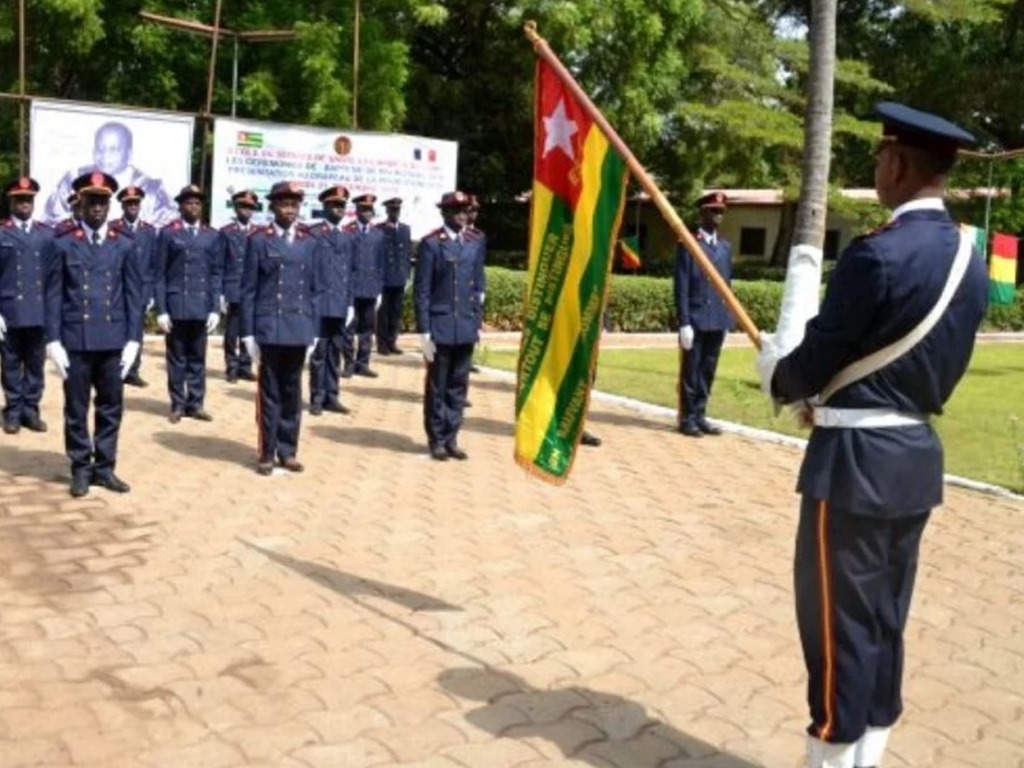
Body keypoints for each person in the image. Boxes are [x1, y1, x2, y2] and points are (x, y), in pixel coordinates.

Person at [756, 103, 988, 768]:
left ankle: (830, 753)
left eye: (880, 160)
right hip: (913, 459)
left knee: (835, 626)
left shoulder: (877, 254)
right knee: (884, 618)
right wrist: (832, 399)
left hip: (854, 466)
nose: (878, 170)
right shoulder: (969, 259)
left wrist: (780, 375)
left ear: (896, 164)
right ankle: (869, 754)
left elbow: (819, 353)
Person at [43, 171, 144, 497]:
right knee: (76, 408)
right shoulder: (62, 243)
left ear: (110, 206)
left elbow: (133, 296)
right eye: (91, 201)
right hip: (76, 340)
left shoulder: (124, 245)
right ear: (80, 203)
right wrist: (53, 340)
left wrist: (133, 340)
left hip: (113, 341)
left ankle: (105, 468)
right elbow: (53, 295)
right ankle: (80, 468)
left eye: (103, 201)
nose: (98, 207)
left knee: (111, 407)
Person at [240, 181, 322, 475]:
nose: (290, 210)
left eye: (294, 205)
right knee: (269, 392)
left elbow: (315, 290)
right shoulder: (258, 240)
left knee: (292, 391)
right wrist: (248, 333)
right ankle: (266, 451)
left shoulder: (309, 241)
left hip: (298, 326)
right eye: (284, 204)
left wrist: (314, 331)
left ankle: (288, 451)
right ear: (272, 206)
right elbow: (248, 290)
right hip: (269, 326)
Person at [414, 191, 485, 461]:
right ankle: (436, 439)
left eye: (464, 210)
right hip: (440, 324)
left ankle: (452, 437)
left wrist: (477, 320)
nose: (461, 215)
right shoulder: (432, 244)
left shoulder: (475, 241)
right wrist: (423, 331)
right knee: (437, 386)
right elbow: (422, 291)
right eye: (455, 210)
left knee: (459, 386)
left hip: (465, 325)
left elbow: (478, 284)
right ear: (444, 213)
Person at [153, 184, 222, 423]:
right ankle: (177, 404)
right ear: (180, 206)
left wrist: (214, 307)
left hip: (201, 305)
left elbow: (215, 273)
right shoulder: (168, 233)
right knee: (176, 357)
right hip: (176, 305)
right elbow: (159, 274)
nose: (193, 207)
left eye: (197, 203)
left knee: (198, 358)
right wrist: (161, 310)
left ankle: (196, 403)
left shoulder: (211, 235)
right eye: (188, 203)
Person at [674, 191, 733, 437]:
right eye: (713, 210)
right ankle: (687, 418)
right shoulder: (688, 244)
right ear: (702, 213)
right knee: (691, 370)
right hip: (696, 318)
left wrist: (727, 319)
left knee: (708, 370)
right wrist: (684, 322)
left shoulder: (725, 247)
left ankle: (700, 414)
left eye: (721, 211)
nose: (718, 215)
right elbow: (682, 284)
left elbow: (726, 285)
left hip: (717, 319)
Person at [44, 121, 176, 226]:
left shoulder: (151, 188)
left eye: (113, 150)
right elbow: (52, 221)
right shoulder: (73, 180)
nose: (105, 156)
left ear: (129, 154)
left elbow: (164, 230)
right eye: (100, 149)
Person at [0, 177, 53, 434]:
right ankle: (12, 410)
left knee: (35, 364)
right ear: (11, 201)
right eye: (19, 199)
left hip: (38, 310)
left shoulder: (46, 234)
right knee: (10, 363)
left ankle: (30, 410)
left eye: (28, 199)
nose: (24, 204)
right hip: (9, 311)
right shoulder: (2, 232)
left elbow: (54, 277)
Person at [309, 185, 355, 415]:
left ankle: (332, 396)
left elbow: (350, 273)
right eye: (334, 205)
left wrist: (350, 303)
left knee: (334, 351)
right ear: (325, 207)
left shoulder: (348, 237)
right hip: (318, 303)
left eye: (342, 206)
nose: (339, 209)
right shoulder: (314, 233)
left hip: (339, 303)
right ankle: (317, 397)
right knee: (318, 352)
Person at [110, 185, 157, 388]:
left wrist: (152, 293)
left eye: (136, 203)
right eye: (129, 203)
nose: (132, 206)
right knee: (117, 326)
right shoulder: (113, 227)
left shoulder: (149, 230)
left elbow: (154, 262)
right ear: (122, 205)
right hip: (119, 287)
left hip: (141, 287)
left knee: (136, 329)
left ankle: (133, 370)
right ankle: (116, 368)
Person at [341, 193, 384, 378]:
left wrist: (380, 289)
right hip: (352, 289)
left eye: (370, 210)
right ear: (356, 211)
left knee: (367, 329)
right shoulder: (348, 232)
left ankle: (363, 363)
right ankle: (349, 363)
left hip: (371, 289)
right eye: (363, 209)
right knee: (349, 328)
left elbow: (381, 264)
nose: (367, 213)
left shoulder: (378, 234)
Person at [218, 190, 259, 383]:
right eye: (243, 206)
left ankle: (245, 365)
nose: (246, 210)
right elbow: (219, 263)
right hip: (232, 287)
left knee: (248, 328)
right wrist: (221, 294)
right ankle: (231, 367)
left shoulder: (259, 232)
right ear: (236, 208)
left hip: (252, 288)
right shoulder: (226, 232)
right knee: (232, 331)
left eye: (250, 207)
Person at [375, 197, 412, 355]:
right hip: (384, 278)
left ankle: (392, 342)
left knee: (396, 313)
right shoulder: (379, 229)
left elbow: (407, 253)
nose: (395, 212)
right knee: (383, 313)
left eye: (397, 210)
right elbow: (377, 255)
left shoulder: (405, 229)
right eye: (392, 210)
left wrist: (407, 274)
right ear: (387, 211)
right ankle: (382, 344)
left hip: (399, 277)